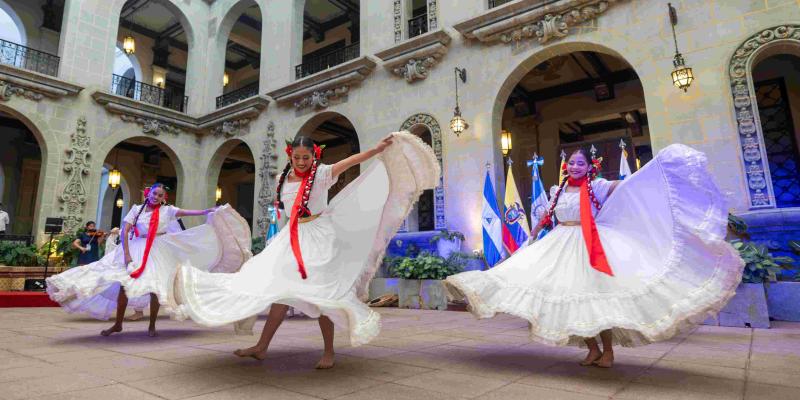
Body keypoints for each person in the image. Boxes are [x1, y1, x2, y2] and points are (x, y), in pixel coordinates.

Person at [444, 145, 743, 368]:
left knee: (598, 299)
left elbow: (629, 188)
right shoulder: (557, 189)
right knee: (571, 298)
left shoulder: (598, 186)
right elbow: (548, 217)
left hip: (593, 246)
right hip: (561, 245)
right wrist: (532, 235)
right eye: (571, 163)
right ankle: (592, 349)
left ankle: (609, 350)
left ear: (590, 166)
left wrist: (658, 169)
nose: (574, 167)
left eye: (580, 163)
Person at [175, 131, 439, 369]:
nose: (302, 162)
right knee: (277, 289)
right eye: (298, 157)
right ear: (291, 156)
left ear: (315, 156)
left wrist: (376, 150)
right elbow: (282, 213)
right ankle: (261, 347)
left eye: (307, 157)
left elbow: (352, 162)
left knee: (321, 293)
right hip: (290, 237)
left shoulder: (323, 174)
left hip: (319, 236)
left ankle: (328, 351)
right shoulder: (281, 180)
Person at [47, 183, 251, 337]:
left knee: (155, 286)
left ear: (164, 198)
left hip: (158, 249)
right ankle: (118, 323)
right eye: (154, 193)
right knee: (124, 285)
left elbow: (189, 213)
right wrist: (126, 254)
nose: (156, 197)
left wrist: (208, 211)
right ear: (149, 193)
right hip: (136, 248)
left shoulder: (167, 211)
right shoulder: (136, 209)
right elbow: (125, 231)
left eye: (160, 195)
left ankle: (152, 325)